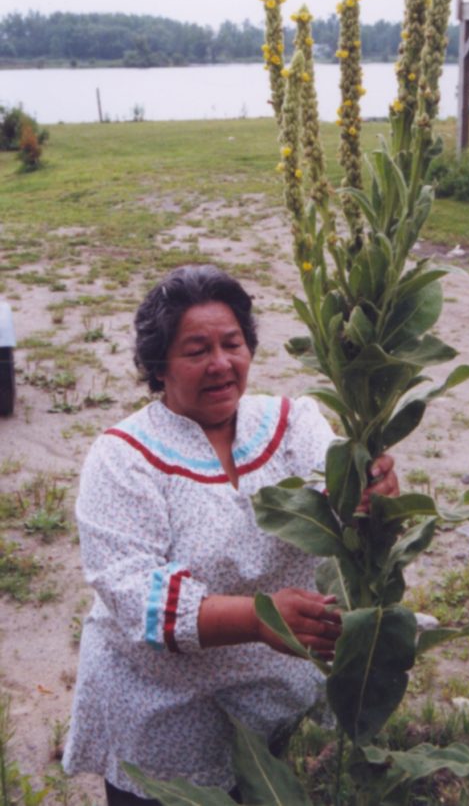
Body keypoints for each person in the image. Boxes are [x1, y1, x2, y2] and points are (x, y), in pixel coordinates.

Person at [63, 264, 398, 803]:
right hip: (161, 714)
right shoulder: (123, 457)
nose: (221, 364)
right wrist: (262, 617)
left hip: (269, 706)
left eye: (233, 344)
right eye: (196, 351)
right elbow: (137, 596)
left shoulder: (293, 423)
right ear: (158, 365)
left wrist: (369, 490)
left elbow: (344, 504)